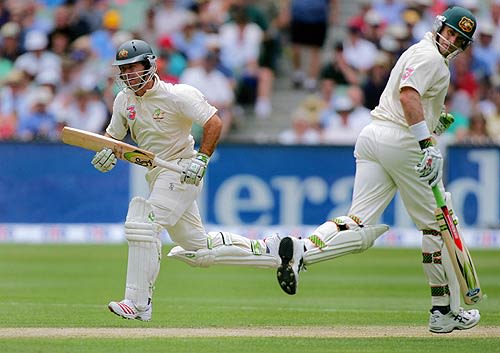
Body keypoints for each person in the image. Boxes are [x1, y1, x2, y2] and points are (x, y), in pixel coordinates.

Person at [89, 39, 384, 321]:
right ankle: (277, 252)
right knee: (197, 249)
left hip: (181, 170)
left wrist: (201, 159)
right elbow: (113, 138)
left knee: (143, 222)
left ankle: (138, 303)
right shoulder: (123, 100)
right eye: (123, 69)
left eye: (133, 68)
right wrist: (107, 152)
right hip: (158, 174)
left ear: (149, 66)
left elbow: (213, 122)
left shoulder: (178, 95)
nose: (127, 74)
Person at [275, 6, 481, 334]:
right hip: (401, 141)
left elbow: (415, 97)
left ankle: (304, 250)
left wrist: (433, 120)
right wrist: (426, 143)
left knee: (358, 222)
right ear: (439, 26)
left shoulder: (419, 51)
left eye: (460, 39)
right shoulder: (431, 58)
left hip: (372, 136)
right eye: (451, 32)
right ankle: (443, 310)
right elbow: (408, 95)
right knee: (436, 227)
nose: (451, 40)